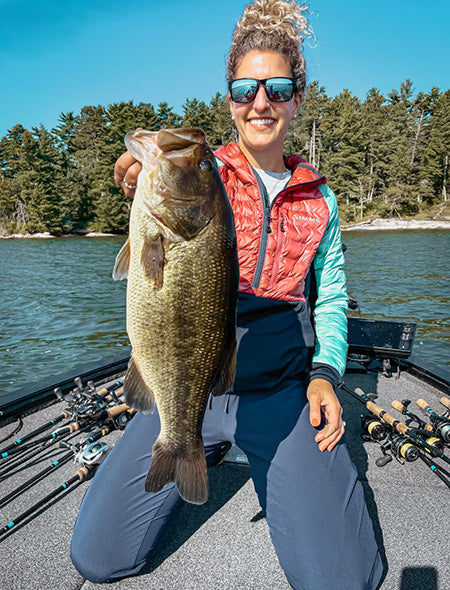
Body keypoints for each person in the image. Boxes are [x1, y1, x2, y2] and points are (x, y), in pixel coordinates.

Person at [71, 1, 383, 588]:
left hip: (280, 395)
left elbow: (333, 297)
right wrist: (135, 172)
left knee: (346, 581)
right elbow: (146, 183)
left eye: (277, 87)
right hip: (190, 386)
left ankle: (239, 448)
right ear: (230, 99)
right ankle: (197, 441)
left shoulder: (322, 200)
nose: (260, 101)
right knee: (98, 558)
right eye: (244, 89)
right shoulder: (203, 170)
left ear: (296, 98)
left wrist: (325, 375)